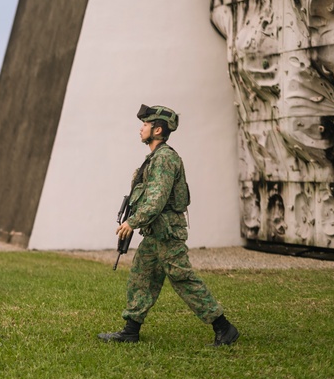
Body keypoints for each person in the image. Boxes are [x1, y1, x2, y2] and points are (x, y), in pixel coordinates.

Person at [99, 104, 239, 346]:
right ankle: (130, 331)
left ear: (157, 130)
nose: (141, 128)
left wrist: (133, 221)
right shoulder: (154, 158)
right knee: (141, 276)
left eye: (145, 124)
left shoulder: (165, 158)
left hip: (167, 233)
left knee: (182, 278)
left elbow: (156, 198)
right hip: (155, 234)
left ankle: (224, 328)